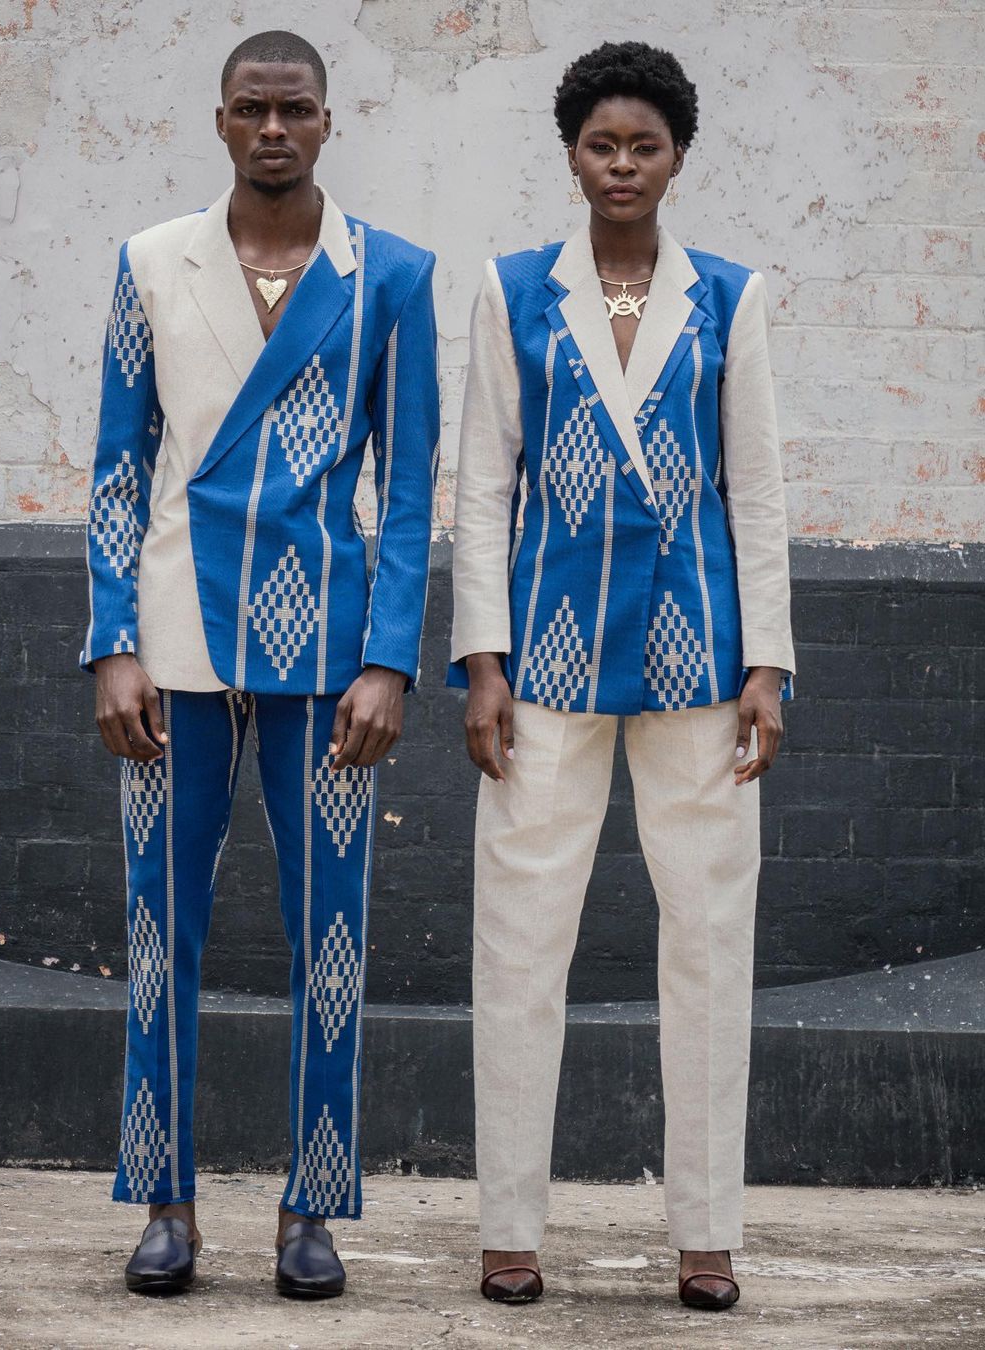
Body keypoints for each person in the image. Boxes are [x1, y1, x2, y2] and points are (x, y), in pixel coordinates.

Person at [81, 30, 439, 1299]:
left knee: (329, 940)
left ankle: (310, 1207)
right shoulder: (150, 263)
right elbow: (119, 467)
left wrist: (390, 660)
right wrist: (111, 641)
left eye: (295, 109)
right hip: (174, 639)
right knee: (159, 933)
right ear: (221, 121)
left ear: (329, 122)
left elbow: (408, 490)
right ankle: (165, 1202)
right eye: (252, 108)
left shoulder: (390, 274)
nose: (273, 128)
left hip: (327, 656)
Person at [448, 41, 794, 1310]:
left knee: (709, 939)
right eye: (602, 145)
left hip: (700, 657)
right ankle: (509, 1227)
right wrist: (480, 663)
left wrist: (769, 667)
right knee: (520, 939)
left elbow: (757, 490)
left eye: (645, 145)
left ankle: (707, 1235)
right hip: (544, 657)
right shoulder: (514, 291)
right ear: (572, 155)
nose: (623, 165)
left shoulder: (729, 297)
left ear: (677, 156)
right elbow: (483, 487)